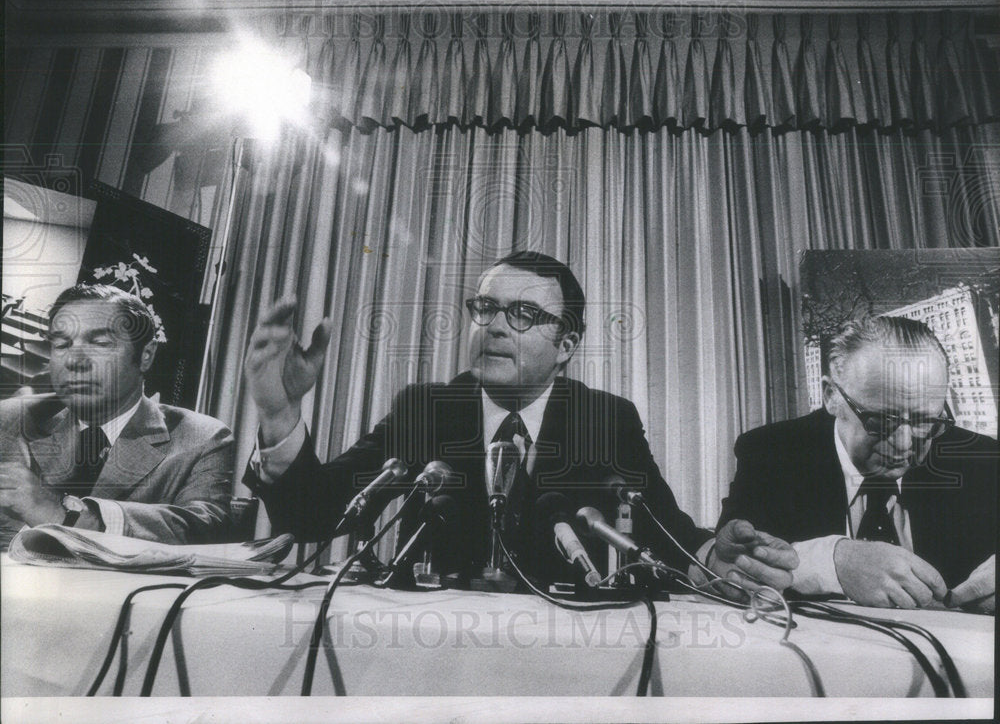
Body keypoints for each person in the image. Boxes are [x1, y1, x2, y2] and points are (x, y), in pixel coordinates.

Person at [243, 251, 796, 593]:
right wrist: (279, 412)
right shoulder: (429, 407)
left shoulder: (604, 419)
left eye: (525, 315)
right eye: (485, 309)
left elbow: (665, 531)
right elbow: (317, 516)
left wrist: (708, 559)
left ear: (566, 346)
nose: (496, 327)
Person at [719, 316, 997, 613]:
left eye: (925, 421)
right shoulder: (773, 453)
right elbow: (729, 564)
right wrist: (836, 562)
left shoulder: (984, 460)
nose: (904, 444)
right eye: (880, 421)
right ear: (831, 397)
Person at [0, 284, 234, 546]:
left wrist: (62, 514)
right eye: (62, 344)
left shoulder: (202, 438)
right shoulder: (9, 420)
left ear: (145, 355)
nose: (74, 361)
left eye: (100, 343)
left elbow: (205, 531)